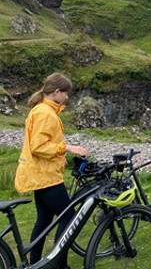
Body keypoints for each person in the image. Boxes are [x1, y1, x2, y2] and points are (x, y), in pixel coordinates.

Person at [15, 72, 89, 268]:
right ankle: (59, 264)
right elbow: (38, 147)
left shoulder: (43, 110)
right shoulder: (45, 113)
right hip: (45, 176)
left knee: (45, 220)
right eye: (65, 93)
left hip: (42, 174)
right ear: (56, 92)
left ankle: (34, 264)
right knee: (69, 218)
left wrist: (60, 154)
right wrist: (67, 148)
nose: (67, 97)